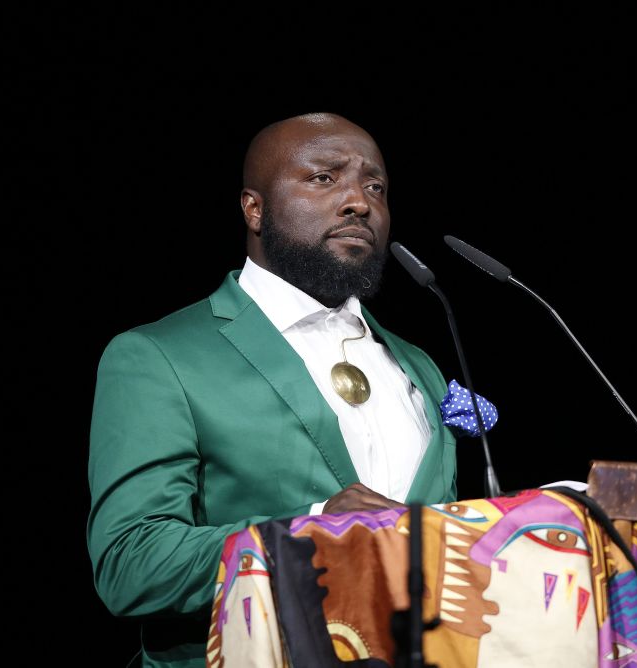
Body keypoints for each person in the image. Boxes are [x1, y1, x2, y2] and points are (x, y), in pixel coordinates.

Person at [87, 112, 461, 667]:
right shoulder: (158, 356)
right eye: (324, 178)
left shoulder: (419, 365)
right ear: (253, 208)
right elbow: (130, 564)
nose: (360, 201)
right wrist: (309, 534)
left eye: (375, 186)